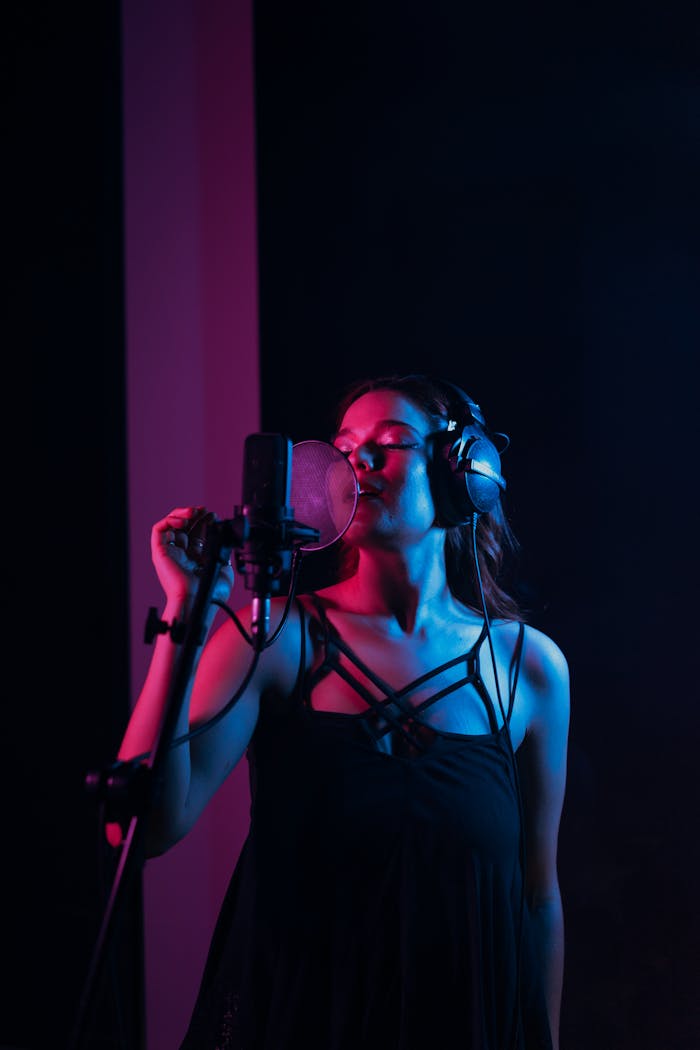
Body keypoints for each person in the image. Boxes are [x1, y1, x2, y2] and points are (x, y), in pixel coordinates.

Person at [117, 373, 570, 1050]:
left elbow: (537, 898)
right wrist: (187, 614)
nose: (356, 463)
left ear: (463, 473)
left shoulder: (528, 668)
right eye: (345, 447)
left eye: (387, 445)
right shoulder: (272, 638)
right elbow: (143, 828)